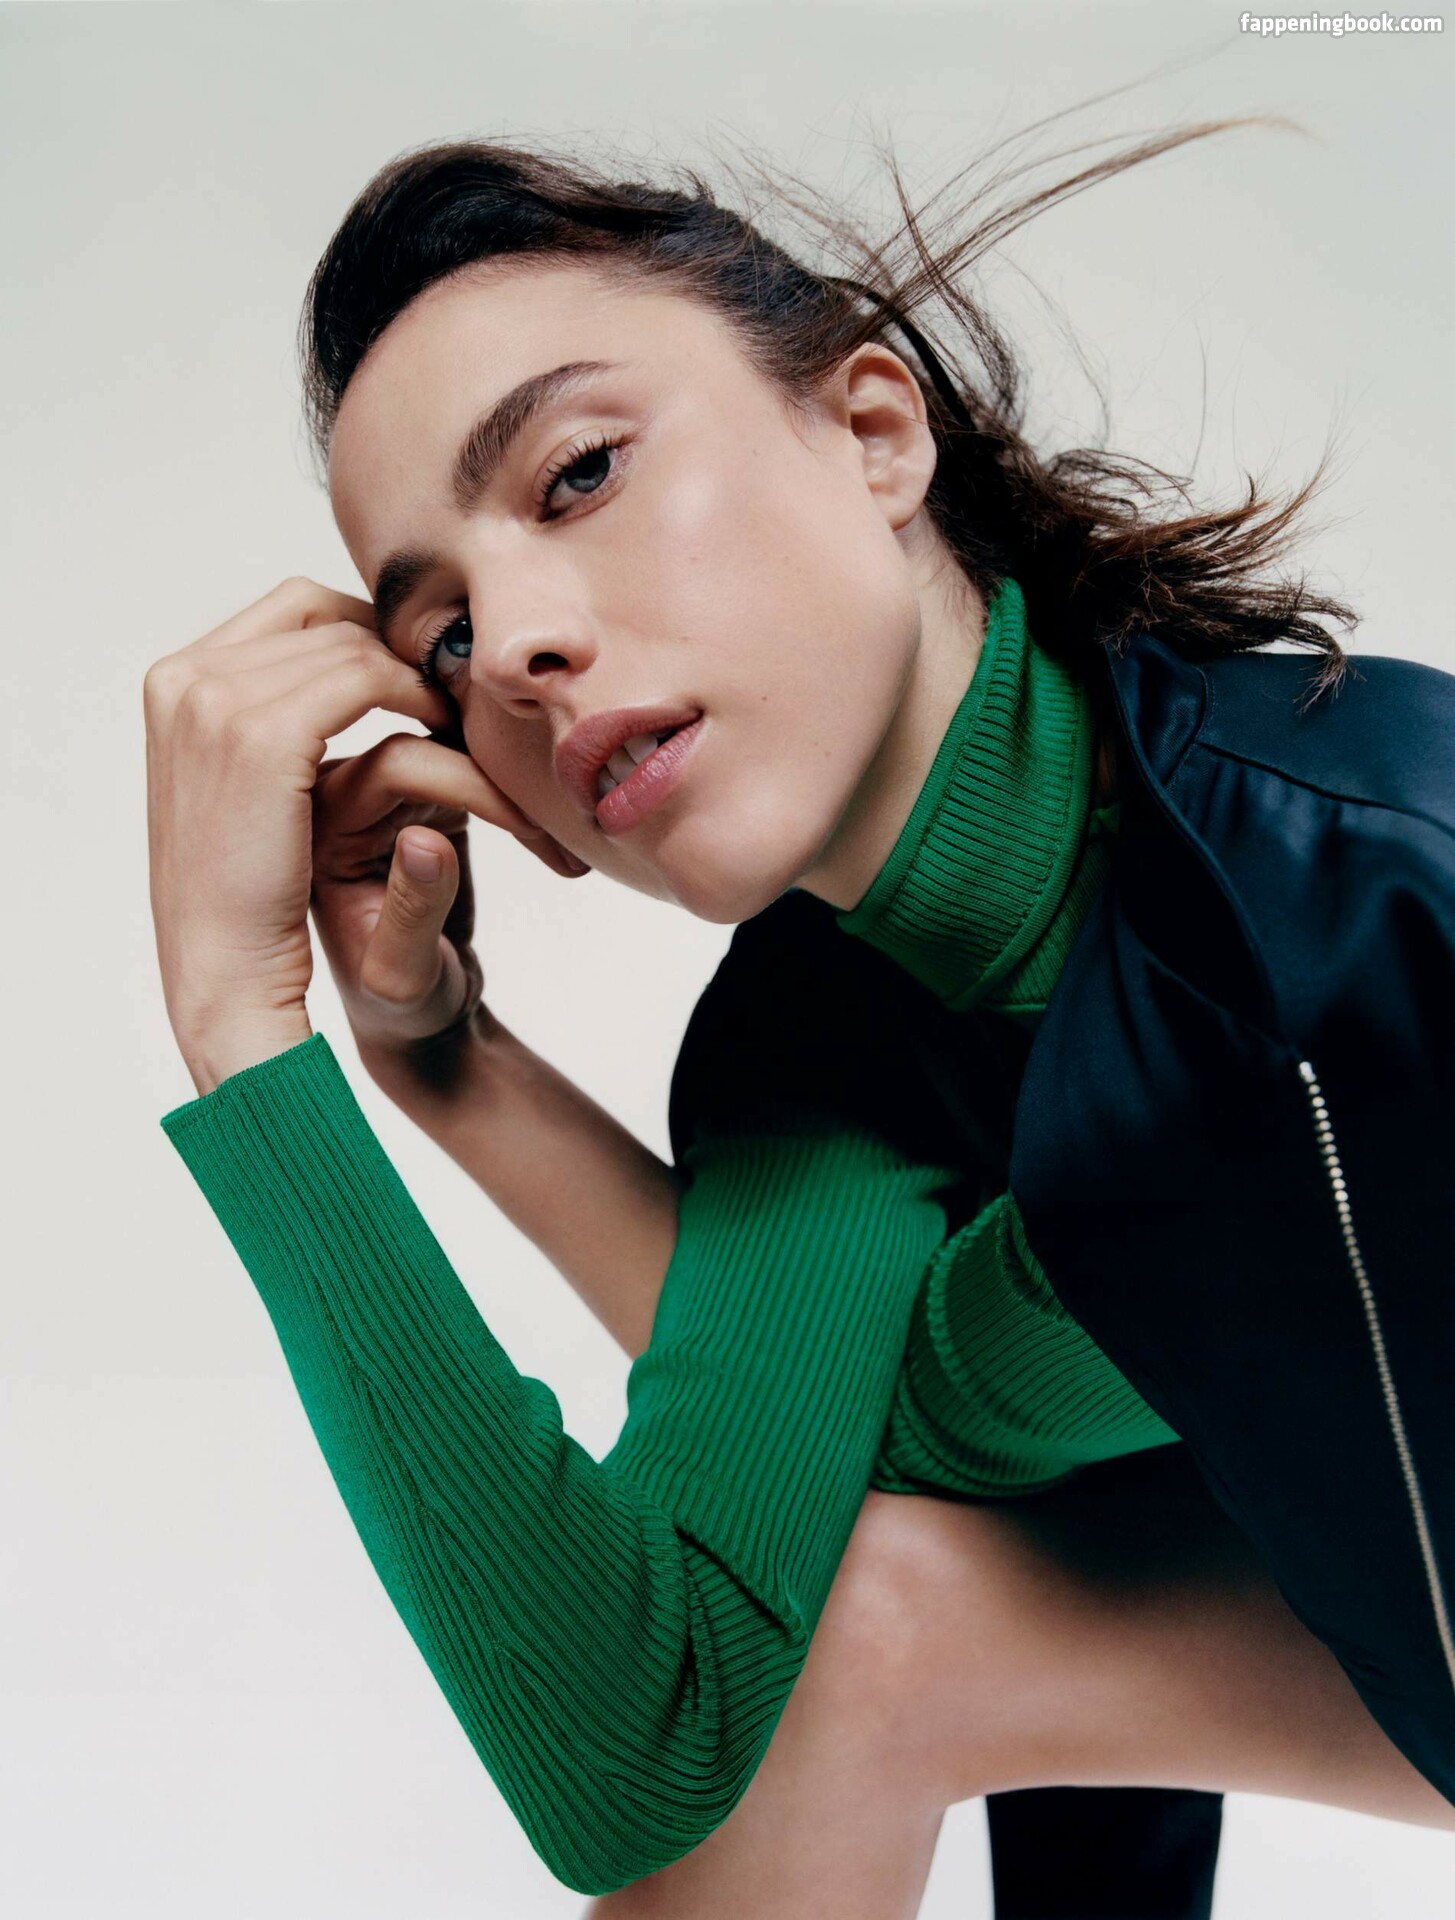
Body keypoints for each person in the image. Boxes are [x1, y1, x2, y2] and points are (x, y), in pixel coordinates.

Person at [143, 115, 1455, 1916]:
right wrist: (330, 1049)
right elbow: (648, 1725)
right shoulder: (814, 1042)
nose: (510, 644)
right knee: (860, 1627)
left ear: (874, 431)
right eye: (439, 636)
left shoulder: (1349, 910)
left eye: (578, 474)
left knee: (878, 1608)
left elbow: (943, 1393)